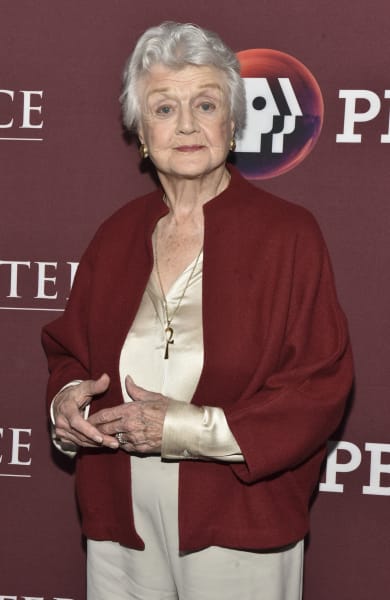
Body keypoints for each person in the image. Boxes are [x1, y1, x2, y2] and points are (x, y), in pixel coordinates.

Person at [42, 21, 353, 600]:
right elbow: (68, 352)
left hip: (239, 525)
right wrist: (65, 403)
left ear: (231, 124)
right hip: (119, 530)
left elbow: (318, 388)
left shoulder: (288, 236)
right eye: (164, 108)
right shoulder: (113, 236)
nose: (185, 124)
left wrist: (183, 428)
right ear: (140, 132)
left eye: (205, 104)